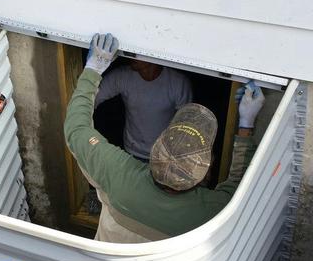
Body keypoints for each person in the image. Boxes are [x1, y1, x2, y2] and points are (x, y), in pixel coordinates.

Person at [64, 33, 265, 243]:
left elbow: (76, 129)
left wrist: (92, 71)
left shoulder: (117, 175)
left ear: (158, 145)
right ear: (206, 171)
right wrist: (246, 125)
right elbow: (239, 187)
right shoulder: (212, 213)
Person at [95, 60, 193, 161]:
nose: (132, 54)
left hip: (164, 157)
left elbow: (186, 124)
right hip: (132, 153)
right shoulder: (123, 76)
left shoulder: (178, 82)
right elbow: (91, 98)